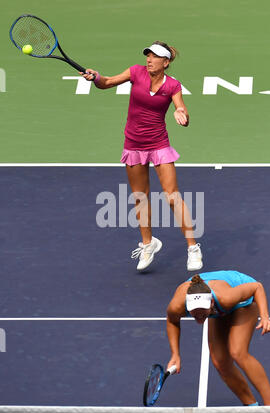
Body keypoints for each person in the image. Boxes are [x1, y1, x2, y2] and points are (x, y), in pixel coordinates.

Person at [80, 41, 202, 272]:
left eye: (155, 56)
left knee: (172, 195)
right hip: (134, 145)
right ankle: (149, 244)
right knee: (140, 197)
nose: (149, 59)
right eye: (148, 55)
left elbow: (182, 109)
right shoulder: (136, 72)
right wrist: (96, 78)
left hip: (159, 144)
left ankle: (193, 248)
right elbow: (106, 83)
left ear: (166, 62)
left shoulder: (173, 86)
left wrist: (181, 112)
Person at [166, 270, 270, 413]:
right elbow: (172, 321)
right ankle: (251, 409)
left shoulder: (225, 298)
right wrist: (175, 354)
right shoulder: (177, 305)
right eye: (194, 311)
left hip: (244, 299)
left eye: (203, 311)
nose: (198, 315)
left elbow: (257, 287)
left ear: (210, 303)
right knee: (220, 361)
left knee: (238, 351)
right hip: (220, 307)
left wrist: (265, 317)